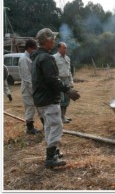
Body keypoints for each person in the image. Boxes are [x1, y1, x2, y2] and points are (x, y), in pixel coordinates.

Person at [31, 28, 80, 168]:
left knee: (49, 126)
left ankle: (54, 151)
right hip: (48, 99)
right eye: (52, 38)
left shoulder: (36, 57)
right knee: (56, 126)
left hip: (40, 99)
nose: (54, 41)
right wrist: (67, 90)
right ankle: (51, 157)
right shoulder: (47, 58)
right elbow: (52, 79)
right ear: (47, 40)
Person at [18, 39, 42, 134]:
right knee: (30, 108)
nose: (35, 50)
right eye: (34, 48)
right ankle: (29, 128)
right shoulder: (24, 59)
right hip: (28, 88)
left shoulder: (30, 57)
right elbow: (27, 78)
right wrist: (34, 91)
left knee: (39, 107)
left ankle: (44, 125)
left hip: (34, 86)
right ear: (29, 48)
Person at [53, 42, 74, 124]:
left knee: (66, 99)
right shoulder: (54, 58)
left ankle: (64, 116)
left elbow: (69, 72)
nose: (65, 49)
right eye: (63, 48)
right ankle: (60, 117)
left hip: (67, 80)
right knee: (60, 100)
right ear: (59, 48)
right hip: (59, 80)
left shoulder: (67, 58)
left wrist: (71, 81)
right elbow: (53, 71)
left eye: (66, 48)